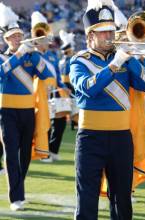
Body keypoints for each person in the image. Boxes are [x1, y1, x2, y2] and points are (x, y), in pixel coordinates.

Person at [69, 0, 145, 219]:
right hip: (90, 138)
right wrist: (115, 64)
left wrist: (131, 58)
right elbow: (89, 88)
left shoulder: (125, 59)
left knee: (122, 199)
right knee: (87, 197)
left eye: (111, 31)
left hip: (121, 138)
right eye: (103, 32)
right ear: (90, 36)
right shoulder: (79, 61)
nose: (110, 36)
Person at [0, 3, 55, 211]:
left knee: (24, 155)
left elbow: (48, 76)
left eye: (19, 36)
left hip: (28, 112)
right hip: (6, 112)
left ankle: (18, 186)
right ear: (6, 39)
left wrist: (36, 54)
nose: (17, 39)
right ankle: (16, 197)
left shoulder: (31, 57)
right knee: (11, 154)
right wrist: (19, 55)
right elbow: (1, 72)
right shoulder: (4, 58)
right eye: (13, 37)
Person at [30, 12, 70, 162]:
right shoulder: (31, 54)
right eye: (41, 35)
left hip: (54, 93)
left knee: (59, 123)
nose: (45, 39)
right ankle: (42, 152)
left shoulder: (52, 55)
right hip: (38, 94)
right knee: (41, 123)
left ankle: (52, 150)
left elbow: (57, 76)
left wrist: (62, 87)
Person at [59, 30, 78, 130]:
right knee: (73, 103)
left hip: (64, 83)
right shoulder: (68, 60)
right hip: (68, 83)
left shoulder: (62, 60)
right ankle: (74, 123)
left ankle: (72, 123)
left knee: (70, 103)